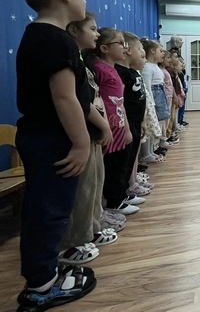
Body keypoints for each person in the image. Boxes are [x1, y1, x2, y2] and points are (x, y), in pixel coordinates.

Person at [14, 0, 97, 310]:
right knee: (49, 211)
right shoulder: (55, 39)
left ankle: (44, 271)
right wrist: (81, 143)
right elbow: (65, 97)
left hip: (41, 136)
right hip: (52, 139)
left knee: (43, 208)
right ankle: (42, 287)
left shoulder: (41, 35)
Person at [58, 13, 116, 267]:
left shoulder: (83, 61)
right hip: (82, 133)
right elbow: (77, 100)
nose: (97, 33)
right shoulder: (69, 57)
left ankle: (91, 229)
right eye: (92, 29)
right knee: (82, 191)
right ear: (74, 31)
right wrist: (102, 125)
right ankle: (73, 241)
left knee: (94, 185)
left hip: (92, 134)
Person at [87, 28, 140, 216]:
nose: (125, 48)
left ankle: (121, 196)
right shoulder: (98, 69)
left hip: (119, 125)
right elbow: (96, 100)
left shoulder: (113, 69)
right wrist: (104, 126)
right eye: (121, 43)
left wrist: (126, 128)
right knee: (112, 166)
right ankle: (114, 202)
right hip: (108, 126)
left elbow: (120, 102)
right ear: (104, 48)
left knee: (120, 163)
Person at [116, 32, 152, 199]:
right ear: (129, 50)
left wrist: (143, 121)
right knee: (125, 158)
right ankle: (123, 192)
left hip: (137, 121)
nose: (142, 54)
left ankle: (131, 184)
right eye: (140, 50)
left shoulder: (133, 72)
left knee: (132, 156)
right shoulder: (121, 72)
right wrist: (127, 127)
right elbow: (120, 101)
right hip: (127, 122)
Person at [141, 39, 170, 159]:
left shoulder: (155, 66)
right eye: (160, 51)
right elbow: (147, 87)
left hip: (160, 93)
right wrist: (152, 103)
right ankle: (146, 153)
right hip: (154, 97)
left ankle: (152, 149)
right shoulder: (147, 67)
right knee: (151, 125)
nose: (163, 53)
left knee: (157, 124)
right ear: (152, 51)